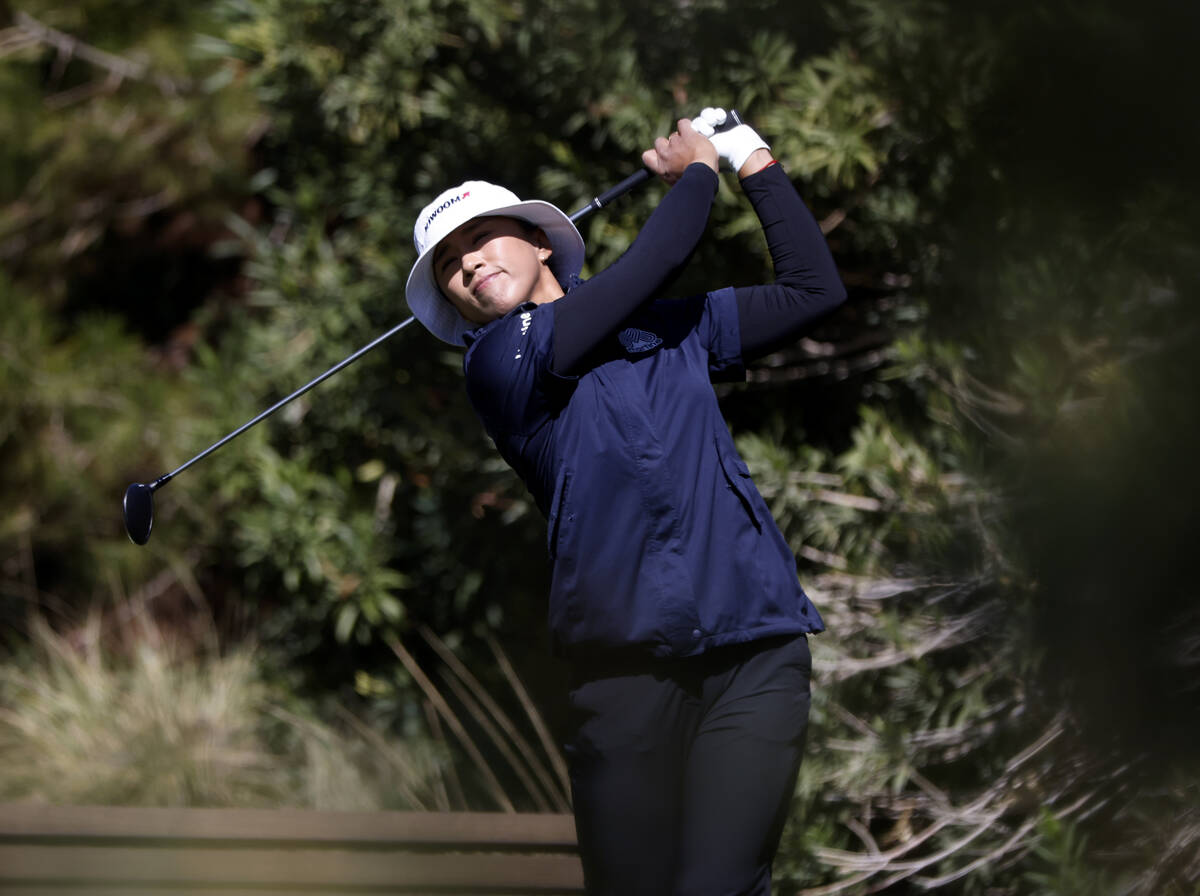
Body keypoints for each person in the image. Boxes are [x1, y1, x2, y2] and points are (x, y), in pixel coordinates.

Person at [405, 108, 846, 896]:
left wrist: (749, 155)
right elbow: (657, 257)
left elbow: (814, 290)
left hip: (754, 648)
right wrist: (698, 168)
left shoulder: (668, 331)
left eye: (481, 238)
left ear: (542, 242)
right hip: (624, 677)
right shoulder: (498, 363)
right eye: (448, 265)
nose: (468, 263)